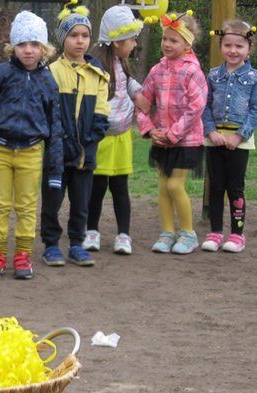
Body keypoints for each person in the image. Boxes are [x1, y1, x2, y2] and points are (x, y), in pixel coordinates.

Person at [0, 10, 63, 279]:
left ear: (44, 48)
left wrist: (55, 170)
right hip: (0, 149)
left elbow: (56, 126)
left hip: (32, 152)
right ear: (13, 46)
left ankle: (23, 256)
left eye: (35, 44)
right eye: (22, 44)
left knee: (26, 206)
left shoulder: (48, 81)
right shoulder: (1, 74)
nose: (28, 50)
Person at [40, 1, 110, 267]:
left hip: (85, 155)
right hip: (56, 155)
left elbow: (102, 114)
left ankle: (77, 244)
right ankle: (50, 245)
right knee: (52, 202)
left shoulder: (99, 75)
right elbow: (48, 113)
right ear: (62, 38)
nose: (80, 41)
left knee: (82, 203)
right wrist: (61, 141)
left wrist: (89, 140)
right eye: (73, 35)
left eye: (85, 35)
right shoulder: (50, 73)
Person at [137, 10, 208, 254]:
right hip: (161, 140)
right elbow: (143, 103)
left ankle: (188, 234)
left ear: (187, 44)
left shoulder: (193, 72)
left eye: (173, 40)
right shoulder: (157, 70)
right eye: (164, 39)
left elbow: (195, 108)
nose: (167, 44)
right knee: (163, 186)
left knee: (176, 185)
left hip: (186, 141)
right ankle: (167, 232)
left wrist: (173, 133)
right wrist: (149, 129)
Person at [85, 5, 145, 255]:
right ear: (117, 40)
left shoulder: (122, 63)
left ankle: (123, 235)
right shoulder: (96, 65)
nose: (134, 42)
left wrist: (141, 94)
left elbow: (129, 85)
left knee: (120, 188)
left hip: (121, 138)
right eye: (131, 38)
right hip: (101, 139)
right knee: (96, 189)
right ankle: (91, 231)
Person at [201, 20, 257, 253]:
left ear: (249, 48)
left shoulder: (255, 77)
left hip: (239, 141)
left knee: (235, 187)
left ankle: (237, 234)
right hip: (215, 137)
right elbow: (205, 106)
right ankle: (215, 231)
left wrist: (240, 136)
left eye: (239, 46)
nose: (233, 50)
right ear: (221, 46)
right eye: (228, 44)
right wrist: (211, 131)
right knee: (216, 186)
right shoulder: (213, 75)